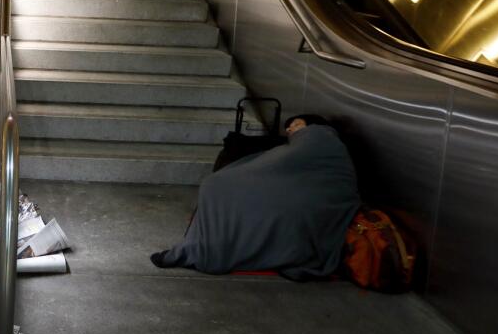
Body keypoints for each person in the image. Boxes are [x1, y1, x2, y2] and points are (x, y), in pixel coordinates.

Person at [149, 114, 360, 280]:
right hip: (315, 202)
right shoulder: (316, 142)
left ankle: (209, 248)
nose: (289, 130)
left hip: (317, 202)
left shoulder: (319, 135)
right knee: (219, 186)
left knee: (216, 186)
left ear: (310, 124)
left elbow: (275, 166)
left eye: (294, 124)